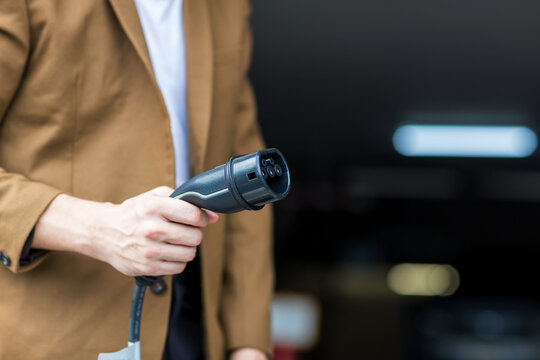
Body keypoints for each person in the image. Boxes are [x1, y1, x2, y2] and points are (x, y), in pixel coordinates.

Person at [0, 1, 273, 359]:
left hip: (192, 326)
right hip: (54, 332)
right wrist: (97, 228)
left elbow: (240, 165)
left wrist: (248, 344)